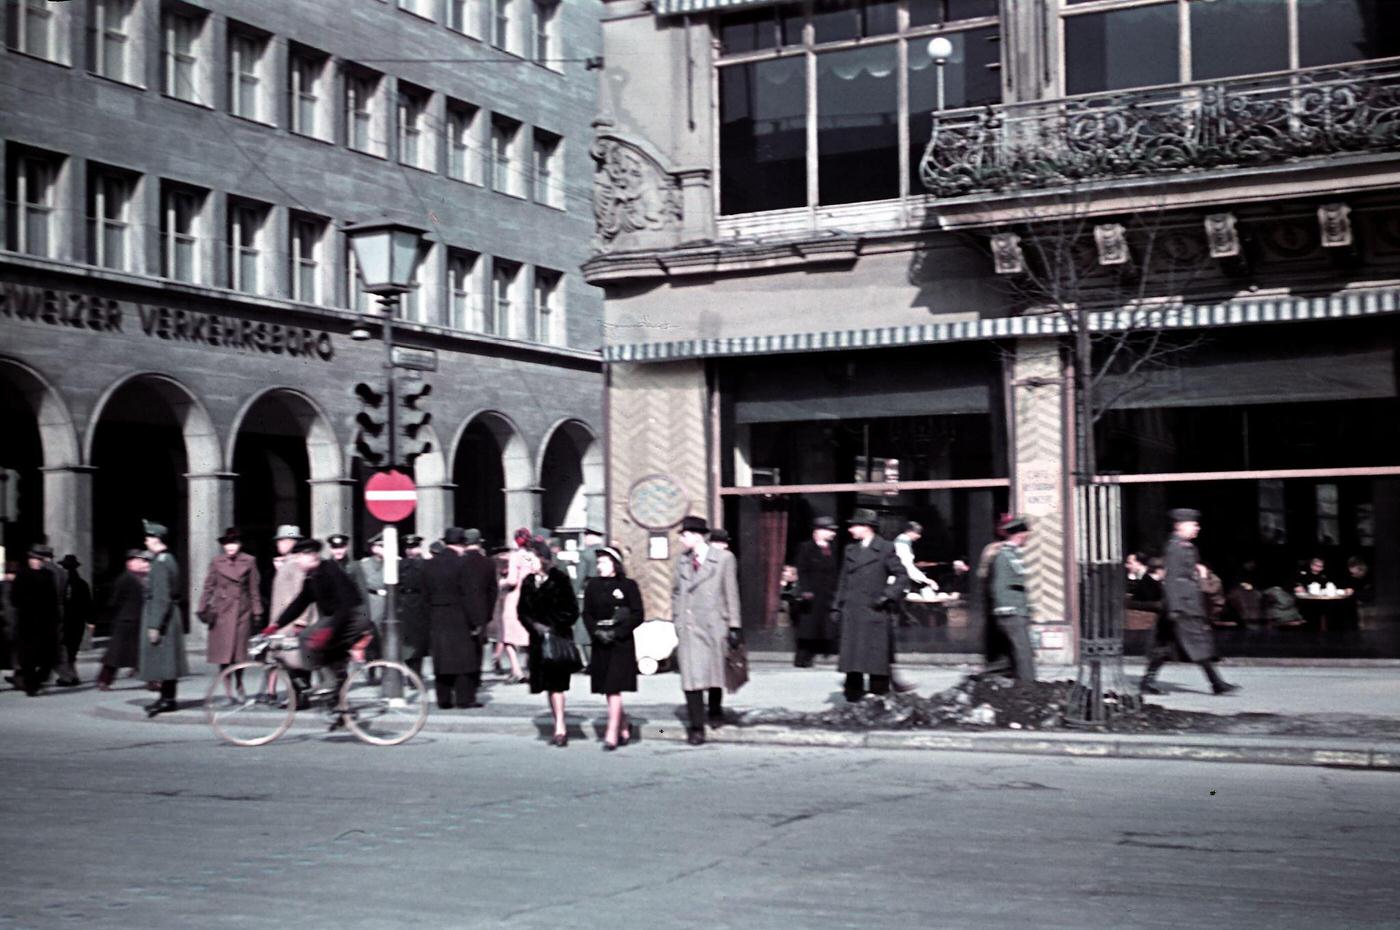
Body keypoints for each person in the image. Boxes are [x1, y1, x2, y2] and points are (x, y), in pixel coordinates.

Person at [266, 538, 374, 721]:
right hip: (338, 618)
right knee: (334, 663)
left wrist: (328, 630)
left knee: (309, 637)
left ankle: (324, 685)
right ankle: (339, 710)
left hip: (353, 617)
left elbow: (345, 604)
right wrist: (276, 624)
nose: (297, 562)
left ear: (311, 556)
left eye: (299, 557)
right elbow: (301, 602)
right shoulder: (313, 575)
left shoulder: (329, 570)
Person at [1140, 509, 1240, 697]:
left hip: (1181, 605)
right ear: (1179, 526)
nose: (1197, 528)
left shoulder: (1186, 547)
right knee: (1198, 644)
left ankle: (1147, 681)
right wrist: (1176, 607)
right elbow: (1173, 579)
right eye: (1193, 524)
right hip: (1182, 607)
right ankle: (1216, 683)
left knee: (1164, 646)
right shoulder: (1176, 548)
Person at [672, 515, 742, 745]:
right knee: (691, 678)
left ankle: (714, 711)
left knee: (714, 672)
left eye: (684, 535)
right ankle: (696, 727)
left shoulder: (723, 559)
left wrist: (734, 625)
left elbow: (731, 592)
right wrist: (678, 618)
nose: (682, 539)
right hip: (690, 627)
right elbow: (676, 592)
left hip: (713, 624)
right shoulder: (681, 561)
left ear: (697, 535)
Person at [832, 508, 908, 703]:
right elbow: (843, 580)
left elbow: (901, 575)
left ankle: (878, 695)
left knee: (876, 656)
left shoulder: (885, 548)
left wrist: (887, 596)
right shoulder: (850, 549)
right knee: (852, 655)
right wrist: (836, 606)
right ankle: (853, 695)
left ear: (866, 528)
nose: (850, 530)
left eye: (854, 526)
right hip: (852, 609)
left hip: (874, 609)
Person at [519, 539, 580, 746]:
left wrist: (551, 625)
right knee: (547, 685)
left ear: (543, 559)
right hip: (537, 642)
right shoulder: (528, 582)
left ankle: (560, 727)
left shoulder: (559, 579)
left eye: (532, 558)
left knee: (557, 685)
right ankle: (557, 722)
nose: (529, 563)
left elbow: (571, 610)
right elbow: (522, 611)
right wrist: (533, 625)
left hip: (557, 639)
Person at [582, 546, 643, 750]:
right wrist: (596, 632)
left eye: (605, 562)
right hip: (601, 642)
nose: (600, 566)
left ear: (615, 564)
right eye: (599, 562)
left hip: (620, 643)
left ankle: (611, 732)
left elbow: (637, 614)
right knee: (608, 688)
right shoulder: (593, 586)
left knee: (613, 687)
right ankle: (624, 726)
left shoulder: (628, 585)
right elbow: (587, 614)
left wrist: (618, 632)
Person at [421, 527, 488, 710]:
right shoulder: (463, 564)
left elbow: (424, 594)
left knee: (441, 659)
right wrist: (476, 621)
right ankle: (464, 698)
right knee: (464, 658)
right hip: (459, 614)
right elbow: (469, 594)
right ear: (462, 544)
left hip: (437, 614)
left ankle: (443, 699)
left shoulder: (429, 564)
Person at [197, 527, 262, 695]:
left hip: (242, 612)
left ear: (240, 544)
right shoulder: (216, 562)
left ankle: (239, 683)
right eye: (227, 544)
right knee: (223, 654)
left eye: (234, 543)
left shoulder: (249, 561)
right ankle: (227, 689)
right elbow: (208, 587)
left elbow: (254, 588)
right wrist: (202, 608)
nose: (231, 547)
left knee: (239, 653)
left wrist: (257, 611)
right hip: (222, 613)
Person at [138, 520, 188, 717]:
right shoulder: (168, 559)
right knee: (167, 661)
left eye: (149, 537)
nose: (146, 540)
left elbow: (160, 597)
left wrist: (154, 625)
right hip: (170, 615)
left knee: (163, 661)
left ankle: (167, 699)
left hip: (162, 617)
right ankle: (167, 698)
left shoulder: (160, 564)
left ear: (158, 539)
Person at [266, 524, 317, 697]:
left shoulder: (295, 564)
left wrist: (301, 620)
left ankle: (299, 697)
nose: (279, 544)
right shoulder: (287, 563)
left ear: (291, 542)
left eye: (282, 540)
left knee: (295, 660)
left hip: (293, 622)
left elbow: (302, 594)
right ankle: (298, 696)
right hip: (286, 621)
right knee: (293, 659)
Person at [985, 517, 1036, 682]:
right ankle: (1028, 688)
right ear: (1019, 535)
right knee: (1023, 653)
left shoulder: (1013, 555)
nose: (1027, 537)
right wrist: (1005, 609)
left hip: (1016, 610)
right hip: (1011, 611)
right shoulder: (1004, 556)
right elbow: (999, 585)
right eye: (1026, 534)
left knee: (1016, 654)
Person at [11, 546, 61, 696]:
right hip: (27, 622)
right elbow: (14, 598)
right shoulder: (22, 575)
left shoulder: (48, 575)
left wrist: (56, 618)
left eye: (39, 560)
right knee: (28, 658)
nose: (36, 562)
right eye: (34, 559)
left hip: (46, 622)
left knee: (50, 656)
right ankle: (31, 686)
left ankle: (37, 680)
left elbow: (53, 598)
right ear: (29, 560)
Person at [96, 549, 149, 690]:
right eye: (139, 561)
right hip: (125, 621)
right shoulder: (125, 579)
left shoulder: (141, 579)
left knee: (142, 652)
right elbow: (114, 601)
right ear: (130, 563)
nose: (143, 563)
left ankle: (152, 679)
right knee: (116, 653)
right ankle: (104, 680)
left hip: (137, 620)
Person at [792, 516, 839, 667]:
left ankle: (823, 653)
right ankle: (802, 658)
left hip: (827, 594)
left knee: (825, 624)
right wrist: (805, 589)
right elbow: (802, 570)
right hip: (811, 594)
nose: (833, 533)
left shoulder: (831, 549)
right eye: (830, 530)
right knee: (808, 627)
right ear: (818, 531)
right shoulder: (806, 547)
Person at [460, 528, 500, 696]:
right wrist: (489, 612)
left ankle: (463, 679)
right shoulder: (488, 563)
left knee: (462, 646)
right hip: (481, 609)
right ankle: (476, 678)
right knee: (478, 647)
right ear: (479, 543)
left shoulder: (459, 561)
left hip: (461, 609)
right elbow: (493, 590)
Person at [492, 527, 533, 684]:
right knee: (528, 634)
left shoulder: (515, 556)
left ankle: (517, 671)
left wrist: (501, 583)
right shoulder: (530, 556)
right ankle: (531, 669)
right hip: (530, 597)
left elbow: (512, 580)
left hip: (515, 597)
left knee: (507, 635)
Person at [55, 554, 93, 686]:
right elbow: (88, 604)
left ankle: (68, 676)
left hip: (64, 621)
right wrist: (91, 621)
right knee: (72, 649)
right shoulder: (82, 584)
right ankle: (72, 674)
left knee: (64, 649)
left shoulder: (61, 585)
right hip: (78, 622)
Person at [397, 535, 430, 679]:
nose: (411, 551)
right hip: (404, 603)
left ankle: (417, 672)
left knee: (419, 641)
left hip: (421, 603)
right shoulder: (400, 565)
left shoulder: (425, 564)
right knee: (407, 640)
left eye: (414, 547)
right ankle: (411, 672)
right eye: (408, 548)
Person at [352, 532, 388, 663]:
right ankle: (371, 668)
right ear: (373, 548)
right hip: (371, 601)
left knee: (386, 636)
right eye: (380, 546)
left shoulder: (394, 562)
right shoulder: (364, 564)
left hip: (387, 601)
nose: (384, 549)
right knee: (371, 635)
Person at [893, 521, 936, 591]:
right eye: (917, 533)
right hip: (898, 583)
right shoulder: (902, 544)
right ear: (909, 531)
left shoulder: (904, 542)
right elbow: (906, 566)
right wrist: (926, 580)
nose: (919, 536)